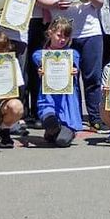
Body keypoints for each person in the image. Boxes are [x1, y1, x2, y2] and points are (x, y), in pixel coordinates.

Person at [37, 0, 106, 132]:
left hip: (90, 31)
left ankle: (95, 117)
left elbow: (100, 2)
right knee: (67, 78)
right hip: (62, 36)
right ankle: (70, 118)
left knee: (92, 77)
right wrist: (54, 4)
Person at [12, 0, 46, 126]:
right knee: (21, 66)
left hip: (38, 18)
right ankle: (20, 110)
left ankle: (36, 110)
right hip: (17, 19)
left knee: (36, 66)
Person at [32, 17, 82, 147]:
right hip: (49, 97)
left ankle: (64, 130)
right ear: (50, 33)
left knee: (62, 142)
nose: (62, 39)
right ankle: (53, 129)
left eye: (66, 36)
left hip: (66, 99)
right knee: (50, 121)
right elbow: (38, 60)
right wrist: (41, 70)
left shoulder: (72, 54)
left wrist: (74, 71)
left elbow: (75, 66)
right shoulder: (40, 54)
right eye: (59, 35)